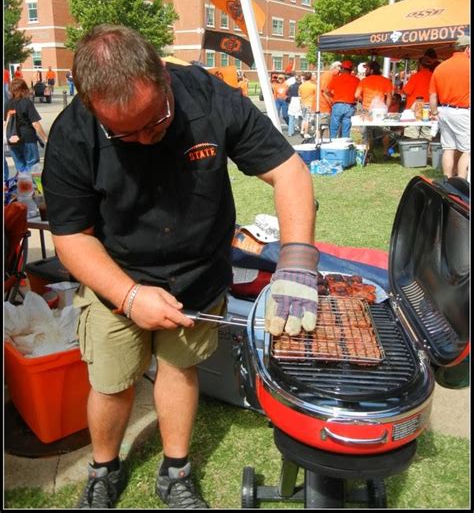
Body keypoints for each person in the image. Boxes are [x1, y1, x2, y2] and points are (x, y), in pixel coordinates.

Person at [42, 25, 319, 509]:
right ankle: (104, 469)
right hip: (115, 274)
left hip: (198, 269)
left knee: (180, 366)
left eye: (156, 120)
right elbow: (70, 237)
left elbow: (288, 170)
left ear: (164, 78)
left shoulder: (207, 96)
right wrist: (129, 296)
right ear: (92, 108)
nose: (147, 139)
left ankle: (176, 471)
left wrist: (295, 264)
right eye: (126, 133)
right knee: (112, 381)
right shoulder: (72, 134)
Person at [429, 34, 470, 179]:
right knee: (467, 150)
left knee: (448, 148)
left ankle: (447, 180)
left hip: (444, 111)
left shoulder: (440, 67)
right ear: (468, 49)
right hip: (463, 111)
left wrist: (434, 113)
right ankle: (461, 181)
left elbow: (433, 96)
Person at [3, 78, 48, 173]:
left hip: (12, 139)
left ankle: (25, 187)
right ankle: (32, 186)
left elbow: (5, 122)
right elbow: (35, 123)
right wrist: (45, 138)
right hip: (27, 138)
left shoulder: (7, 104)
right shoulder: (26, 102)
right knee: (32, 166)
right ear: (24, 89)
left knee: (20, 167)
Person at [355, 60, 394, 156]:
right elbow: (389, 97)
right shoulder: (386, 80)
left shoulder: (364, 81)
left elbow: (356, 95)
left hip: (366, 109)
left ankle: (369, 153)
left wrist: (363, 99)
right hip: (381, 110)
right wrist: (386, 109)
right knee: (385, 132)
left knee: (367, 132)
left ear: (371, 70)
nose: (365, 71)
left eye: (367, 69)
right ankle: (385, 152)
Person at [402, 53, 438, 140]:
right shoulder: (434, 76)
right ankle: (427, 153)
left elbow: (406, 91)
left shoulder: (415, 76)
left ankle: (413, 153)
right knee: (427, 137)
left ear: (420, 65)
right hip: (428, 111)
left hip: (413, 112)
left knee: (412, 138)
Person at [326, 60, 359, 139]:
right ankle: (344, 148)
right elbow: (358, 94)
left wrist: (333, 96)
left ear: (342, 69)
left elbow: (327, 91)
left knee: (334, 130)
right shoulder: (356, 80)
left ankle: (332, 147)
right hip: (350, 106)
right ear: (351, 70)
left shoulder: (336, 78)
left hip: (338, 105)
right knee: (346, 130)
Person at [316, 61, 340, 139]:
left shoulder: (331, 76)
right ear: (336, 68)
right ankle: (324, 144)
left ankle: (321, 142)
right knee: (324, 127)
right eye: (340, 70)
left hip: (325, 105)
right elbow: (325, 91)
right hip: (323, 106)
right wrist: (332, 104)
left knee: (323, 127)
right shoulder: (328, 75)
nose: (340, 73)